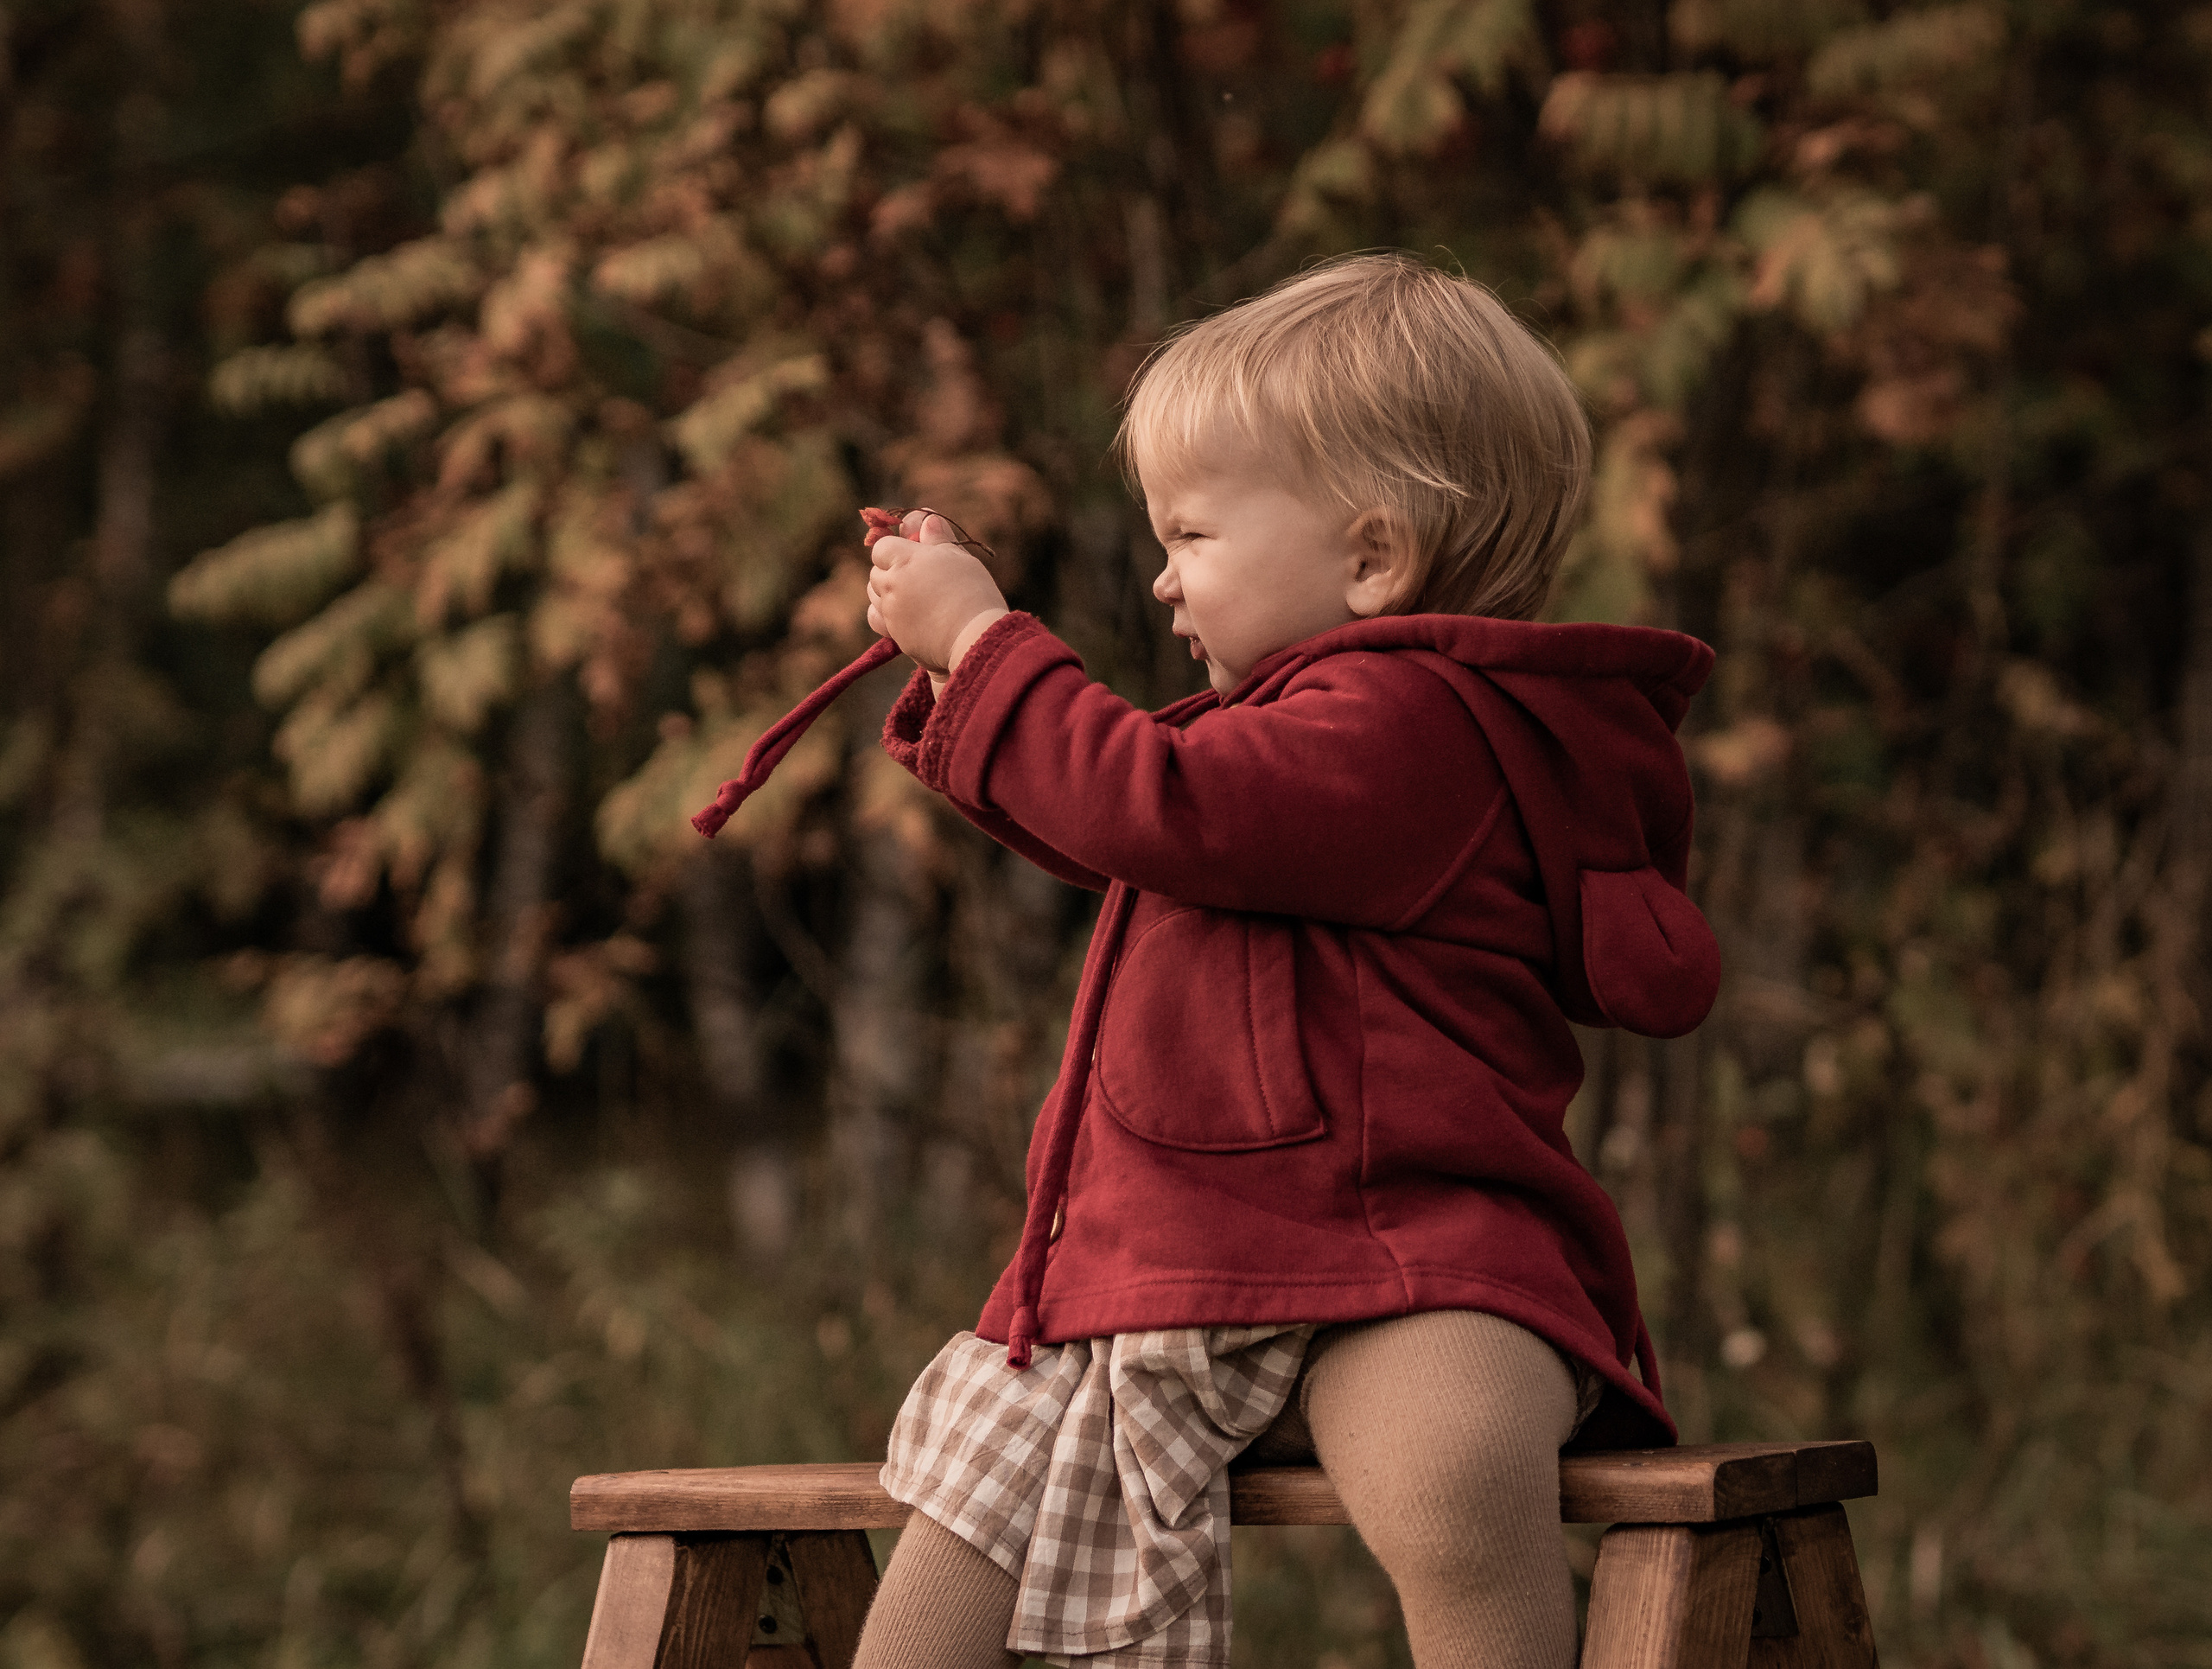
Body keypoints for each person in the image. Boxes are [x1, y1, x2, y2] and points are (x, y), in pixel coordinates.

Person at [781, 252, 1718, 1668]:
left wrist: (983, 643)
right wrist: (959, 688)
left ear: (1371, 556)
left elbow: (1163, 808)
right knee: (956, 1534)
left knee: (1456, 1471)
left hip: (1408, 1257)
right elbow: (1137, 827)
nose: (1162, 583)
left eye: (1193, 538)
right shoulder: (1284, 742)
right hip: (1150, 1271)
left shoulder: (1417, 730)